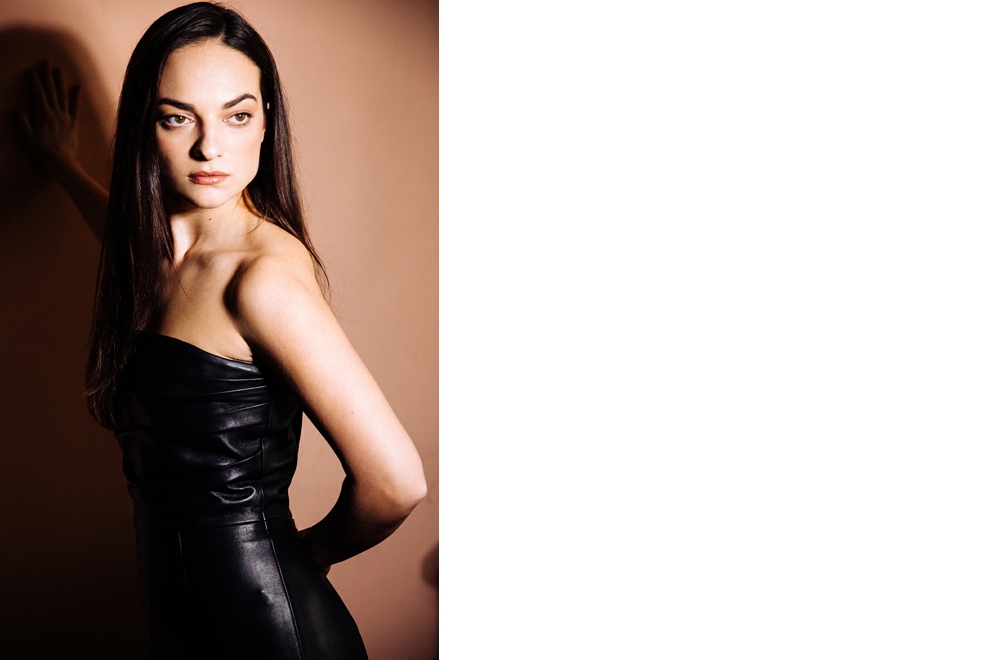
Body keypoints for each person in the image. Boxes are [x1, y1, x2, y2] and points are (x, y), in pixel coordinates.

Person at [18, 3, 427, 658]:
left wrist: (309, 555)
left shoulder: (259, 279)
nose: (209, 148)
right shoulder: (159, 250)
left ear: (267, 121)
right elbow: (130, 239)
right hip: (181, 627)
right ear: (144, 125)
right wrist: (63, 164)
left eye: (237, 116)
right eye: (177, 117)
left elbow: (396, 483)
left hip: (273, 634)